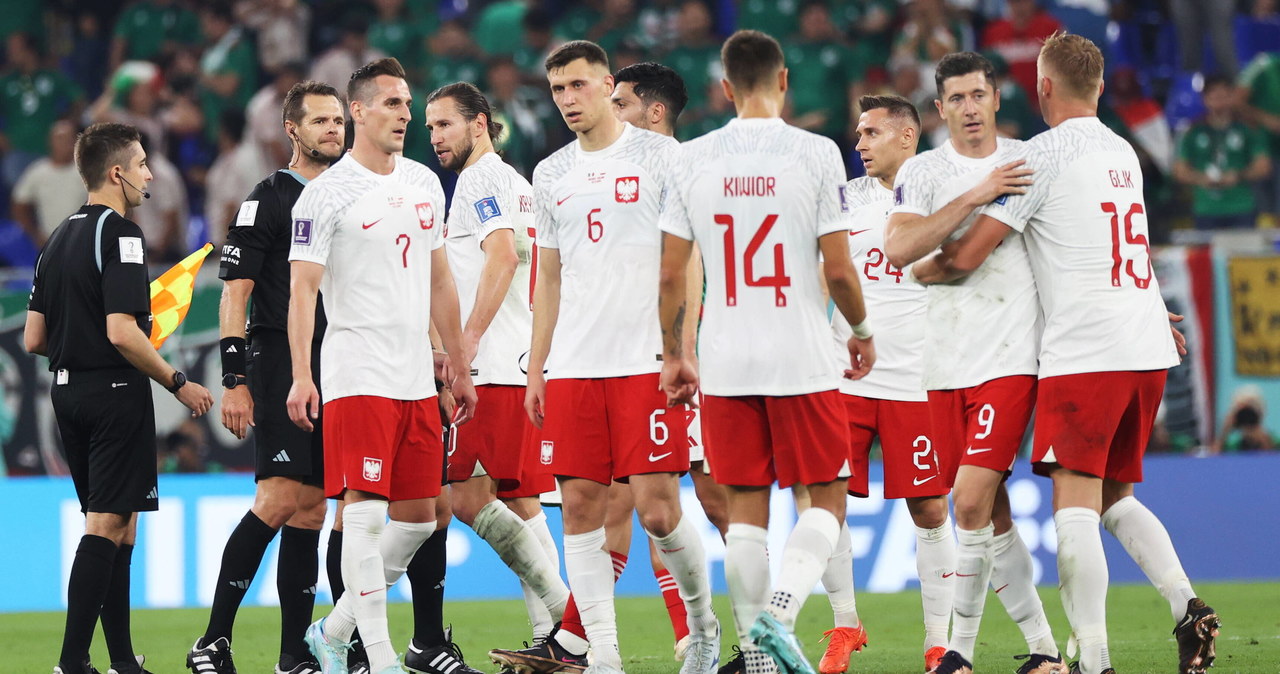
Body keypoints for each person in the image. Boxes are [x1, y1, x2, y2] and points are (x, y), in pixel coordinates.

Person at [965, 32, 1219, 674]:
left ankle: (1095, 661)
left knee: (1074, 505)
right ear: (1100, 87)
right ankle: (1187, 606)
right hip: (1144, 344)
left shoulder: (1039, 157)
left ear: (1043, 87)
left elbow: (973, 251)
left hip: (1089, 352)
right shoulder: (1124, 151)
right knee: (1115, 498)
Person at [496, 39, 720, 674]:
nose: (569, 99)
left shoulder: (662, 156)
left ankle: (702, 629)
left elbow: (689, 260)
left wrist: (683, 349)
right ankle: (605, 660)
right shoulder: (550, 174)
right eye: (558, 88)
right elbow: (550, 279)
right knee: (581, 510)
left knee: (656, 508)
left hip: (646, 359)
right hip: (573, 367)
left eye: (580, 86)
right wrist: (536, 366)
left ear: (607, 83)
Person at [656, 28, 874, 674]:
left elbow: (671, 274)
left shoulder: (690, 159)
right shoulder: (816, 153)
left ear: (725, 89)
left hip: (725, 358)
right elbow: (838, 270)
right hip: (800, 353)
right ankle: (780, 614)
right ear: (784, 82)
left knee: (746, 514)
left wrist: (675, 354)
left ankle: (754, 651)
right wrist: (862, 332)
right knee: (826, 500)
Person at [286, 57, 477, 674]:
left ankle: (333, 630)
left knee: (423, 516)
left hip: (414, 376)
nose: (404, 114)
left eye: (407, 103)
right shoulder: (324, 194)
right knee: (363, 515)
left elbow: (440, 280)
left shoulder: (424, 183)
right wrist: (301, 375)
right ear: (359, 112)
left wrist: (456, 362)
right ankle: (381, 656)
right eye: (392, 103)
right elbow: (302, 293)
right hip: (357, 371)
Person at [882, 51, 1063, 674]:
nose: (968, 108)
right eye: (955, 98)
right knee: (992, 512)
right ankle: (1043, 651)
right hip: (943, 363)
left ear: (995, 97)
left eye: (977, 95)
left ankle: (957, 652)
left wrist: (938, 262)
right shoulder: (925, 170)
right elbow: (899, 246)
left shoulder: (1027, 161)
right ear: (940, 108)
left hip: (1010, 357)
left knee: (965, 503)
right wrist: (976, 195)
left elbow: (944, 262)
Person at [25, 121, 212, 674]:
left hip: (68, 393)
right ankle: (72, 662)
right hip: (113, 393)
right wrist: (179, 382)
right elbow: (122, 331)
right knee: (106, 524)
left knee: (118, 522)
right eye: (141, 166)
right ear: (117, 174)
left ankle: (123, 662)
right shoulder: (122, 234)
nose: (149, 175)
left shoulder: (55, 239)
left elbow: (34, 338)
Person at [186, 80, 346, 674]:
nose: (333, 129)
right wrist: (235, 377)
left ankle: (293, 654)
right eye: (320, 121)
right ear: (293, 131)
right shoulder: (268, 197)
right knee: (279, 499)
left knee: (313, 511)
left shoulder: (354, 192)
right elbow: (236, 295)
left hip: (341, 363)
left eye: (338, 120)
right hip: (280, 360)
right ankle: (213, 640)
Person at [424, 81, 569, 651]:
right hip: (521, 359)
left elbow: (502, 256)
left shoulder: (481, 180)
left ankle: (566, 619)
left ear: (479, 123)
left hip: (490, 365)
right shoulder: (518, 182)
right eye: (429, 126)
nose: (434, 136)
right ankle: (551, 636)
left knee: (465, 497)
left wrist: (467, 342)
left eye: (445, 125)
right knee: (520, 500)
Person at [815, 94, 955, 674]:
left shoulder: (943, 196)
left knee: (929, 509)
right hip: (843, 377)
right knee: (828, 503)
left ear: (907, 136)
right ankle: (845, 624)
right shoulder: (841, 200)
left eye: (871, 132)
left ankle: (938, 643)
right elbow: (815, 276)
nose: (859, 143)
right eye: (857, 133)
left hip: (917, 378)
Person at [609, 60, 731, 660]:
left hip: (698, 360)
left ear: (654, 111)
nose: (613, 115)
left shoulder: (688, 170)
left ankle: (764, 631)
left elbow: (697, 268)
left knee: (719, 503)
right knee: (657, 505)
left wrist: (684, 350)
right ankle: (691, 638)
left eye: (622, 103)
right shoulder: (618, 176)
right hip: (637, 362)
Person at [1173, 75, 1272, 231]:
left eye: (1224, 96)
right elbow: (1180, 171)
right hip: (1206, 208)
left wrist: (1238, 176)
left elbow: (1263, 166)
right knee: (1207, 255)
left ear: (1232, 97)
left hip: (1241, 207)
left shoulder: (1248, 129)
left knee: (1242, 254)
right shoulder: (1192, 131)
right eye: (1215, 97)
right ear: (1204, 99)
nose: (1220, 103)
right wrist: (1201, 178)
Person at [12, 119, 86, 248]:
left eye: (68, 139)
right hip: (49, 242)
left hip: (83, 242)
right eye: (60, 139)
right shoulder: (37, 172)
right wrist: (34, 234)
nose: (64, 144)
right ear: (50, 141)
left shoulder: (87, 172)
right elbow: (19, 205)